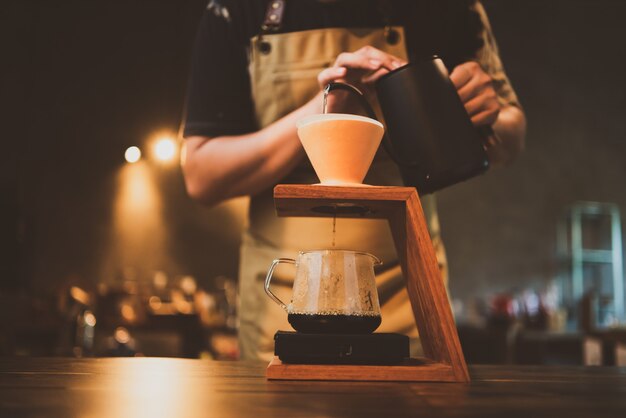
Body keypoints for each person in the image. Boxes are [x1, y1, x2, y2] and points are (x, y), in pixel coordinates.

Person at [181, 0, 526, 361]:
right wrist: (324, 108)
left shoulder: (450, 9)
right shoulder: (234, 11)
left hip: (407, 306)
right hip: (282, 308)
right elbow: (202, 175)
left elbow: (512, 139)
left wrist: (488, 114)